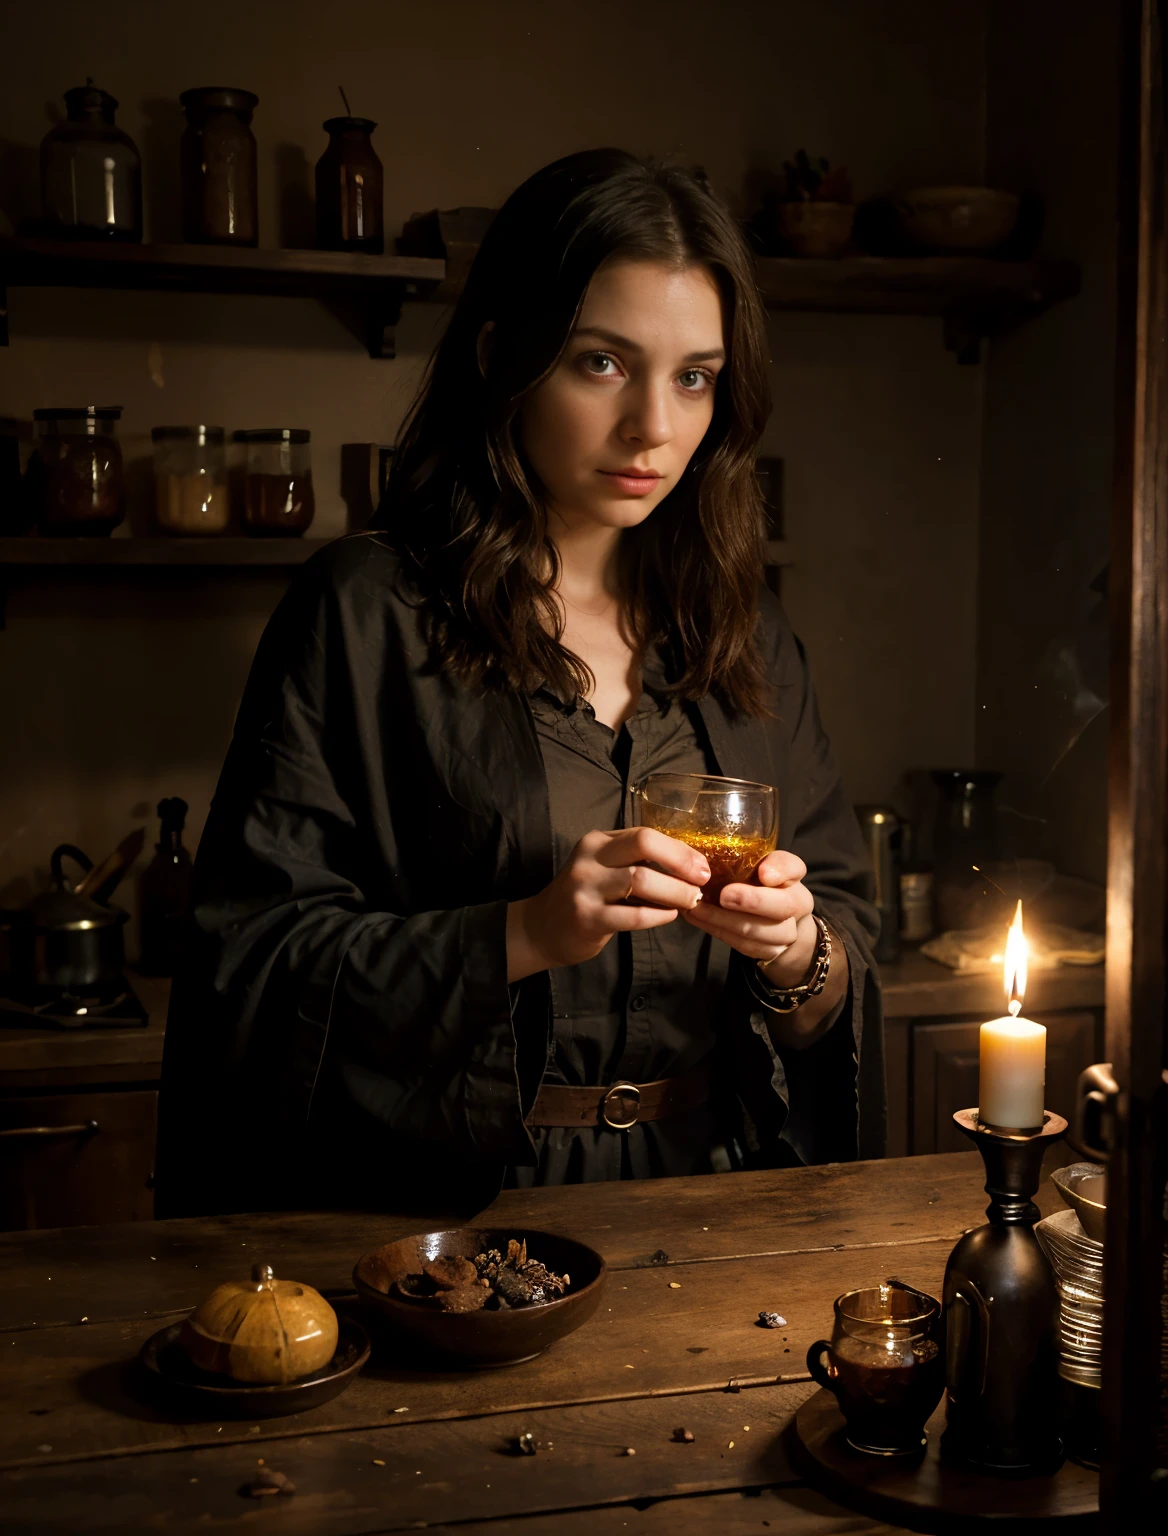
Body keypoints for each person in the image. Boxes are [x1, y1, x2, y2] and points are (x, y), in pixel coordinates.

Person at [155, 148, 882, 1218]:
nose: (654, 426)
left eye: (693, 376)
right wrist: (522, 934)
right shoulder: (365, 611)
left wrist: (799, 951)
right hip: (449, 1225)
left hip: (719, 1207)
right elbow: (250, 968)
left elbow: (843, 948)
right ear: (503, 354)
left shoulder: (749, 638)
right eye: (601, 362)